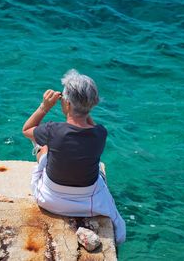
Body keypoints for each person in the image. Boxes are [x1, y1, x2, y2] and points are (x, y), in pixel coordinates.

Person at [22, 69, 126, 244]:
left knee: (43, 148)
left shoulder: (53, 130)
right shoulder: (100, 133)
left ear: (67, 103)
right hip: (90, 203)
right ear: (93, 103)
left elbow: (26, 130)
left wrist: (44, 106)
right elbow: (88, 125)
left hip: (51, 200)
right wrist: (83, 107)